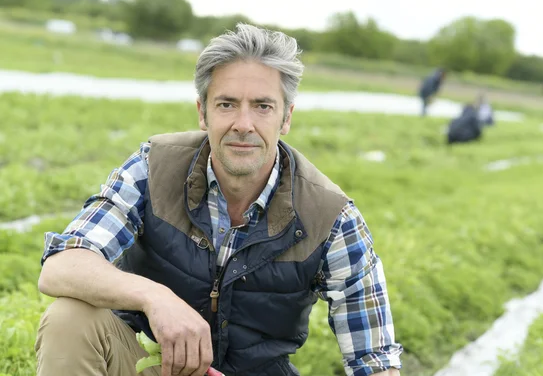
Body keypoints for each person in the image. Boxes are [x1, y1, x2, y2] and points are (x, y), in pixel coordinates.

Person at [34, 24, 403, 376]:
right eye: (227, 104)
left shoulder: (331, 217)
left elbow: (374, 358)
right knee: (71, 319)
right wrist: (155, 297)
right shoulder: (154, 167)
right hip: (149, 364)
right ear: (202, 113)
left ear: (286, 117)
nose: (244, 123)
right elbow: (63, 264)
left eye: (262, 106)